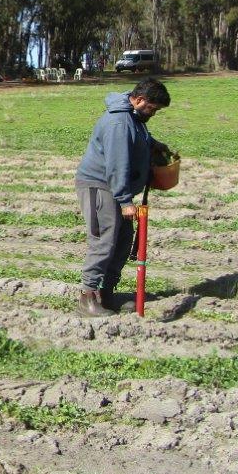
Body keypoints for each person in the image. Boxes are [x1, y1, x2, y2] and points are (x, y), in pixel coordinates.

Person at [73, 77, 171, 317]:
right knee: (105, 241)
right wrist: (125, 202)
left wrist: (154, 145)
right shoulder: (119, 122)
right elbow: (117, 164)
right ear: (138, 100)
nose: (154, 114)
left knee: (123, 240)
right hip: (101, 185)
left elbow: (136, 140)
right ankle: (88, 297)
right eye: (152, 109)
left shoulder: (133, 117)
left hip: (116, 187)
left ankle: (107, 294)